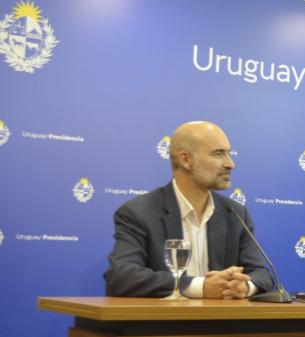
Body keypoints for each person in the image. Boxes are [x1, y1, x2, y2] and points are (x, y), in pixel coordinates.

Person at [104, 121, 273, 298]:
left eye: (229, 154)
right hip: (163, 323)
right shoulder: (139, 212)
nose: (230, 164)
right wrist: (200, 287)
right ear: (185, 159)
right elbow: (121, 277)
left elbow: (262, 274)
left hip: (224, 323)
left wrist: (243, 286)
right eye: (218, 154)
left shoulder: (235, 213)